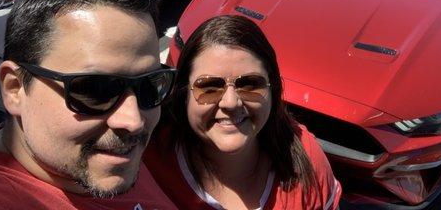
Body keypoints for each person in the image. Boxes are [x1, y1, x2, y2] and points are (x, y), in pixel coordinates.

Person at [0, 0, 178, 210]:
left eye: (149, 84)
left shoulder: (102, 154)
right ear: (15, 88)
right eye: (96, 90)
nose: (133, 121)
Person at [145, 15, 341, 209]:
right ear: (183, 94)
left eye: (249, 84)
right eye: (209, 86)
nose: (231, 102)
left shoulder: (305, 158)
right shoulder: (146, 158)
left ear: (273, 91)